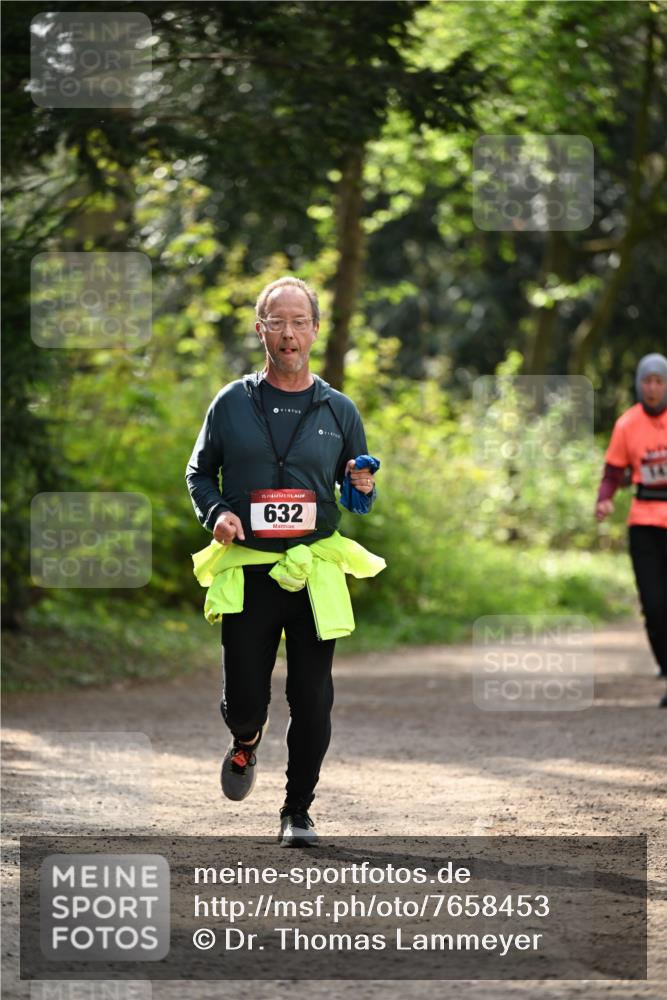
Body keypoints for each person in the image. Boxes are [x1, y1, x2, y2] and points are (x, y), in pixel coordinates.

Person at [185, 276, 384, 844]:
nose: (290, 333)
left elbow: (357, 496)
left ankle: (298, 810)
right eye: (279, 322)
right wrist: (217, 513)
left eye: (300, 322)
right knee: (245, 699)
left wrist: (362, 483)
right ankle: (246, 740)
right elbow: (198, 473)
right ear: (260, 329)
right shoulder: (230, 403)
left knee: (313, 695)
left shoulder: (339, 409)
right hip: (248, 567)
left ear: (315, 330)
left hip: (313, 568)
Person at [596, 353, 667, 707]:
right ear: (639, 384)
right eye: (647, 381)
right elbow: (613, 471)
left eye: (659, 381)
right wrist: (604, 499)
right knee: (654, 606)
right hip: (644, 524)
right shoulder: (627, 424)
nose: (652, 388)